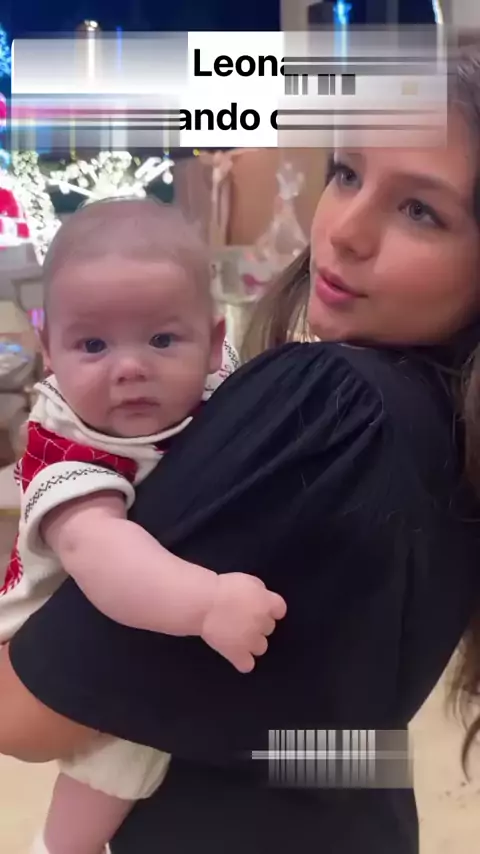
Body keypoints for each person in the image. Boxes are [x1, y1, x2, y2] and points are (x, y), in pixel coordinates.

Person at [3, 44, 480, 854]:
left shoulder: (331, 407)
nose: (345, 232)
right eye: (346, 173)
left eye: (420, 211)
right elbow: (345, 728)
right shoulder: (446, 423)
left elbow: (26, 716)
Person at [0, 198, 286, 854]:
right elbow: (105, 555)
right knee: (124, 752)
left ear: (213, 343)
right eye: (92, 345)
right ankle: (61, 847)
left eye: (161, 340)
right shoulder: (71, 453)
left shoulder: (213, 387)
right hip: (40, 639)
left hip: (137, 621)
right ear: (51, 353)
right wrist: (206, 603)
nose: (128, 367)